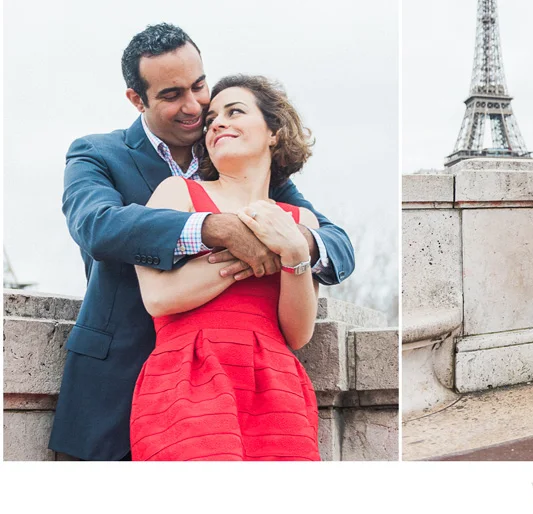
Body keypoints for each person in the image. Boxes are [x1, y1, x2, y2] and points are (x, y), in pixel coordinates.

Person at [49, 24, 355, 460]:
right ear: (138, 100)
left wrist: (290, 244)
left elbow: (333, 243)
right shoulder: (98, 153)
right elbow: (96, 226)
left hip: (252, 386)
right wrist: (215, 229)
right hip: (119, 383)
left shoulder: (253, 172)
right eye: (173, 94)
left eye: (199, 86)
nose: (195, 106)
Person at [130, 75, 321, 461]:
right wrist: (254, 254)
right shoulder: (177, 192)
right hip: (188, 377)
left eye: (235, 112)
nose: (217, 122)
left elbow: (298, 333)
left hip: (275, 384)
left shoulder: (302, 221)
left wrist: (297, 254)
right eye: (212, 117)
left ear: (274, 132)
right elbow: (159, 297)